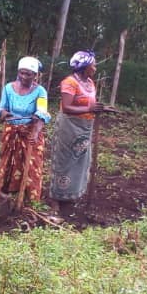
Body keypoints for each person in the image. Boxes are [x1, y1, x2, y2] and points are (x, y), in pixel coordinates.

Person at [49, 50, 105, 214]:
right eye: (93, 65)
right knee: (64, 161)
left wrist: (98, 109)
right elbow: (67, 107)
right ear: (84, 67)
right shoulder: (69, 82)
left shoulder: (90, 83)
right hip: (69, 127)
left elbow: (90, 104)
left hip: (85, 127)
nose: (95, 68)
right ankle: (56, 197)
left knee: (80, 161)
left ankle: (70, 194)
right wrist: (89, 108)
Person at [0, 57, 52, 201]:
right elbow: (1, 109)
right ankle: (8, 190)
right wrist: (4, 113)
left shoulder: (40, 92)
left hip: (30, 131)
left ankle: (29, 196)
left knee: (32, 163)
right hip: (11, 131)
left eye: (28, 74)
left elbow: (42, 114)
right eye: (22, 73)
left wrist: (36, 132)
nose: (24, 77)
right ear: (18, 72)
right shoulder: (8, 88)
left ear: (35, 75)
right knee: (9, 160)